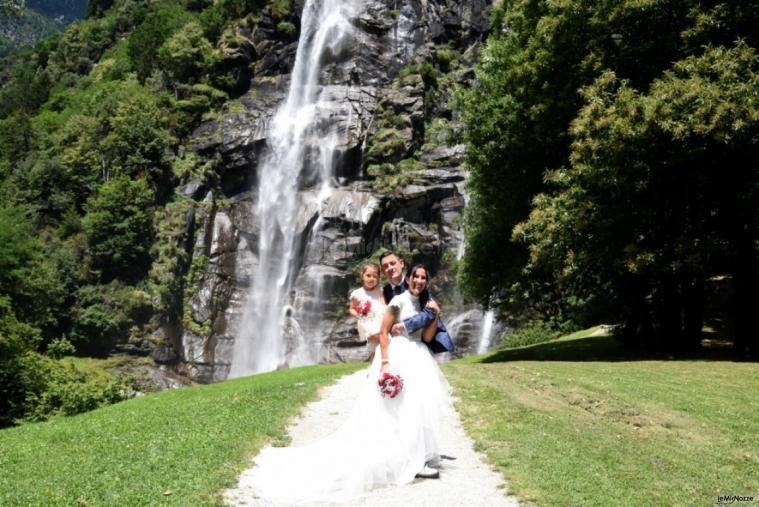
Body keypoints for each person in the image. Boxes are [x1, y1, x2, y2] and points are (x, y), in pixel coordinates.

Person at [241, 265, 452, 503]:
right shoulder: (398, 301)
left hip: (419, 357)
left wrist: (437, 314)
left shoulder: (427, 304)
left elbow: (426, 337)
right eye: (417, 277)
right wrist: (384, 363)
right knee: (397, 407)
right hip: (399, 355)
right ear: (410, 278)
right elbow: (384, 332)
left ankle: (419, 454)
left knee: (417, 406)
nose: (420, 281)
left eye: (424, 278)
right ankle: (406, 458)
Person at [379, 251, 455, 354]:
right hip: (393, 344)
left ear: (401, 263)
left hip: (417, 343)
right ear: (383, 271)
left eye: (392, 263)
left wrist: (405, 325)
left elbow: (429, 313)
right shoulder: (384, 292)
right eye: (385, 266)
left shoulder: (418, 284)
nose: (390, 268)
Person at [349, 262, 386, 345]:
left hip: (381, 321)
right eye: (368, 275)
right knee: (375, 347)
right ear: (362, 276)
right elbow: (351, 309)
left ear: (378, 278)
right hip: (368, 323)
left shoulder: (380, 290)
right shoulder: (357, 293)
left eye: (375, 276)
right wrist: (359, 315)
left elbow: (384, 306)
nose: (371, 278)